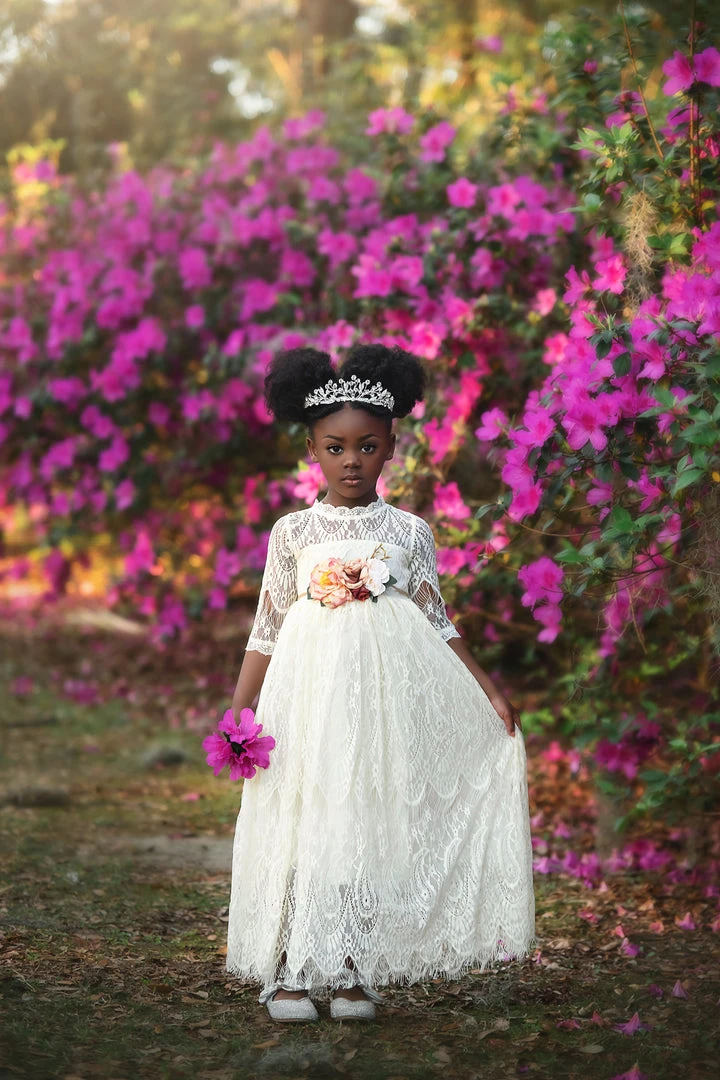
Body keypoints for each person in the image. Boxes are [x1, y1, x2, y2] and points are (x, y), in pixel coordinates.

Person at [225, 342, 536, 1022]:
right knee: (309, 816)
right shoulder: (294, 532)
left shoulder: (409, 531)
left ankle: (351, 968)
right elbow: (267, 627)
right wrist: (239, 710)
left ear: (391, 447)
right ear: (312, 449)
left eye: (367, 447)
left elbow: (437, 618)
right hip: (306, 700)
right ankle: (293, 969)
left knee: (364, 818)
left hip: (378, 702)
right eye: (335, 448)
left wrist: (487, 690)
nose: (351, 462)